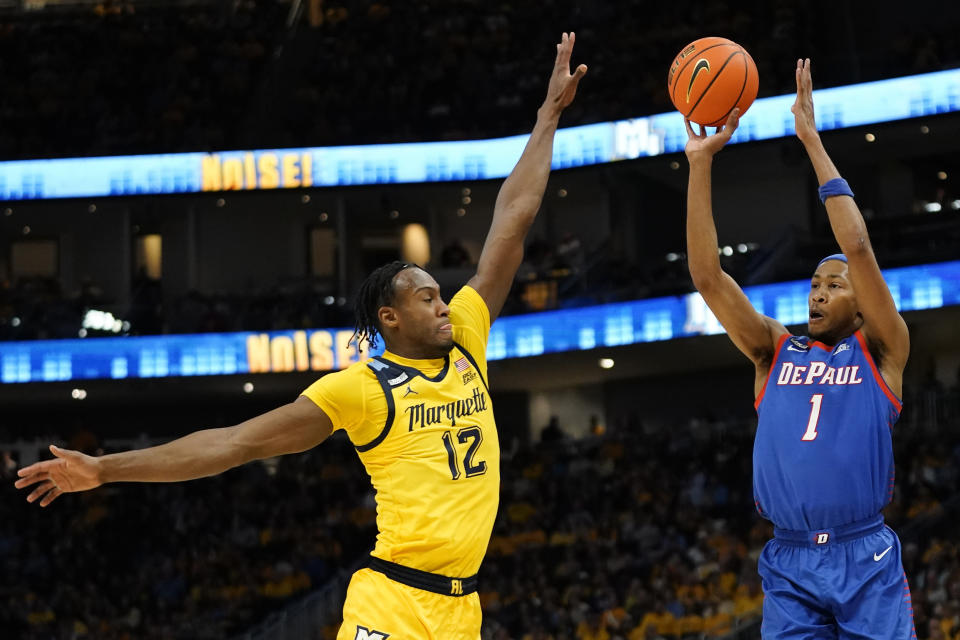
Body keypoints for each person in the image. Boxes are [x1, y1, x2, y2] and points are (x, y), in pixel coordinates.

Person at [14, 32, 588, 640]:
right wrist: (106, 470)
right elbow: (232, 444)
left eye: (442, 296)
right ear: (389, 320)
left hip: (461, 610)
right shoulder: (363, 388)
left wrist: (547, 116)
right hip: (393, 604)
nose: (447, 307)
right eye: (428, 299)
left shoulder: (468, 337)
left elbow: (510, 222)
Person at [683, 59, 914, 638]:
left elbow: (856, 245)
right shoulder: (773, 351)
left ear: (862, 305)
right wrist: (700, 167)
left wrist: (811, 142)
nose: (819, 292)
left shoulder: (882, 349)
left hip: (865, 554)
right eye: (814, 284)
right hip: (788, 561)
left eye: (834, 285)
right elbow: (707, 276)